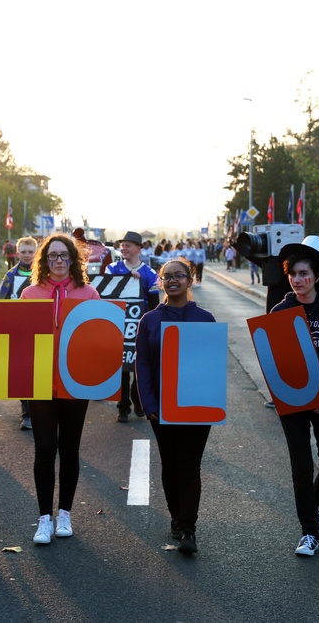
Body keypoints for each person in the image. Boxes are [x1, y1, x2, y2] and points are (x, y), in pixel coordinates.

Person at [269, 236, 319, 557]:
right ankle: (309, 532)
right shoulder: (281, 310)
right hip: (292, 400)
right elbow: (274, 358)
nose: (298, 280)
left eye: (304, 274)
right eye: (293, 275)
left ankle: (315, 504)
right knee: (301, 467)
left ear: (317, 276)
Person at [20, 234, 101, 544]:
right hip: (41, 383)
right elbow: (21, 340)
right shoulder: (29, 293)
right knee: (44, 450)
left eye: (63, 256)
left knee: (69, 450)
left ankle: (64, 513)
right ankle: (43, 518)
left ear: (72, 260)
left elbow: (97, 339)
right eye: (51, 256)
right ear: (43, 260)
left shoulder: (89, 293)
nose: (57, 261)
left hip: (74, 382)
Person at [135, 257, 215, 555]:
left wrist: (211, 403)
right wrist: (148, 402)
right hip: (161, 406)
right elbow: (142, 362)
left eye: (179, 275)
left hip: (197, 406)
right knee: (170, 465)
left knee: (190, 465)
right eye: (167, 276)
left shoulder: (205, 318)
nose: (172, 280)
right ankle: (176, 518)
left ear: (190, 280)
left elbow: (212, 364)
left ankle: (188, 527)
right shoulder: (150, 320)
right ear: (160, 281)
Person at [105, 230, 158, 423]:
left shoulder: (150, 274)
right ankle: (123, 406)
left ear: (138, 248)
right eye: (122, 245)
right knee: (121, 366)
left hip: (139, 326)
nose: (123, 248)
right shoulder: (112, 268)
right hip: (118, 324)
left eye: (127, 245)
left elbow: (154, 304)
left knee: (139, 364)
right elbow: (106, 296)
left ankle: (137, 397)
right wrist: (126, 279)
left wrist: (152, 329)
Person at [0, 235, 38, 430]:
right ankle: (26, 412)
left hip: (39, 330)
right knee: (22, 372)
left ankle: (39, 409)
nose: (27, 255)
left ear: (36, 253)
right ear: (17, 253)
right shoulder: (10, 276)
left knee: (38, 371)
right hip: (18, 331)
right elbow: (2, 303)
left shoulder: (43, 275)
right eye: (24, 252)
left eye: (31, 252)